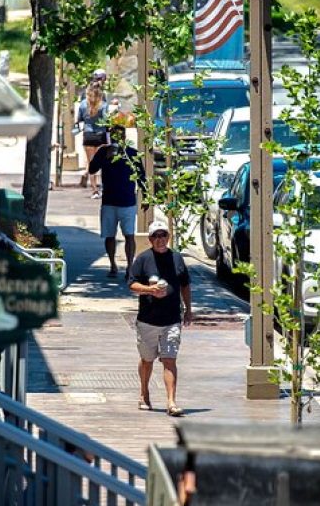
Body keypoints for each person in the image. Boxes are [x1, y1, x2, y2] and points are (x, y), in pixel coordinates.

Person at [128, 220, 193, 416]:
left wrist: (189, 309)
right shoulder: (143, 259)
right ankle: (144, 393)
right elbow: (132, 285)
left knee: (169, 359)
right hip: (148, 319)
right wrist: (149, 290)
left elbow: (185, 285)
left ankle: (171, 402)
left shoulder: (177, 259)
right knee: (147, 360)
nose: (160, 239)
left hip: (172, 319)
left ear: (168, 237)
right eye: (156, 236)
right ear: (150, 239)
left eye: (163, 235)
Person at [88, 124, 146, 279]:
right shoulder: (103, 152)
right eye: (113, 136)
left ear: (124, 138)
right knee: (109, 235)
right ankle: (113, 264)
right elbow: (91, 170)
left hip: (127, 201)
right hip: (108, 202)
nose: (115, 139)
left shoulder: (132, 154)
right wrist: (103, 158)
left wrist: (145, 197)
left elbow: (141, 177)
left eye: (119, 136)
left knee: (129, 235)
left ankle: (129, 267)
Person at [77, 81, 108, 199]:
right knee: (103, 163)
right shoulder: (103, 105)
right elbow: (106, 120)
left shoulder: (83, 105)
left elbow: (79, 119)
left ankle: (94, 190)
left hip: (88, 135)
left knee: (91, 163)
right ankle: (104, 187)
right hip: (100, 135)